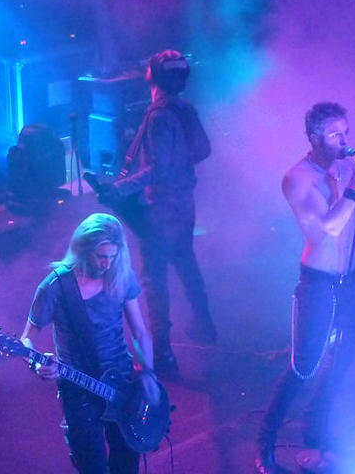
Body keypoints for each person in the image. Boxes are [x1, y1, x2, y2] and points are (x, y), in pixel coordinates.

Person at [255, 102, 355, 474]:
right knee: (304, 367)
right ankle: (265, 445)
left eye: (345, 133)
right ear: (314, 137)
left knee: (343, 360)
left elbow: (353, 219)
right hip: (319, 283)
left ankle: (317, 428)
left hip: (352, 278)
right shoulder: (297, 178)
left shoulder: (338, 170)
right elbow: (329, 228)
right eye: (335, 134)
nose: (343, 141)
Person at [102, 49, 216, 375]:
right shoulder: (185, 108)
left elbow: (156, 169)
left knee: (154, 279)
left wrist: (120, 188)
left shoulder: (158, 116)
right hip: (184, 202)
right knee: (185, 261)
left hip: (162, 207)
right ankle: (205, 325)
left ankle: (163, 353)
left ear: (151, 76)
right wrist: (180, 161)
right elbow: (204, 149)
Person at [20, 213, 160, 474]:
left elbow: (140, 332)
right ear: (83, 250)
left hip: (122, 383)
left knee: (126, 464)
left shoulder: (121, 276)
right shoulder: (55, 286)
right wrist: (36, 363)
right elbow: (26, 338)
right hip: (79, 387)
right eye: (101, 256)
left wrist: (148, 373)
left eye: (113, 257)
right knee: (91, 465)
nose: (107, 264)